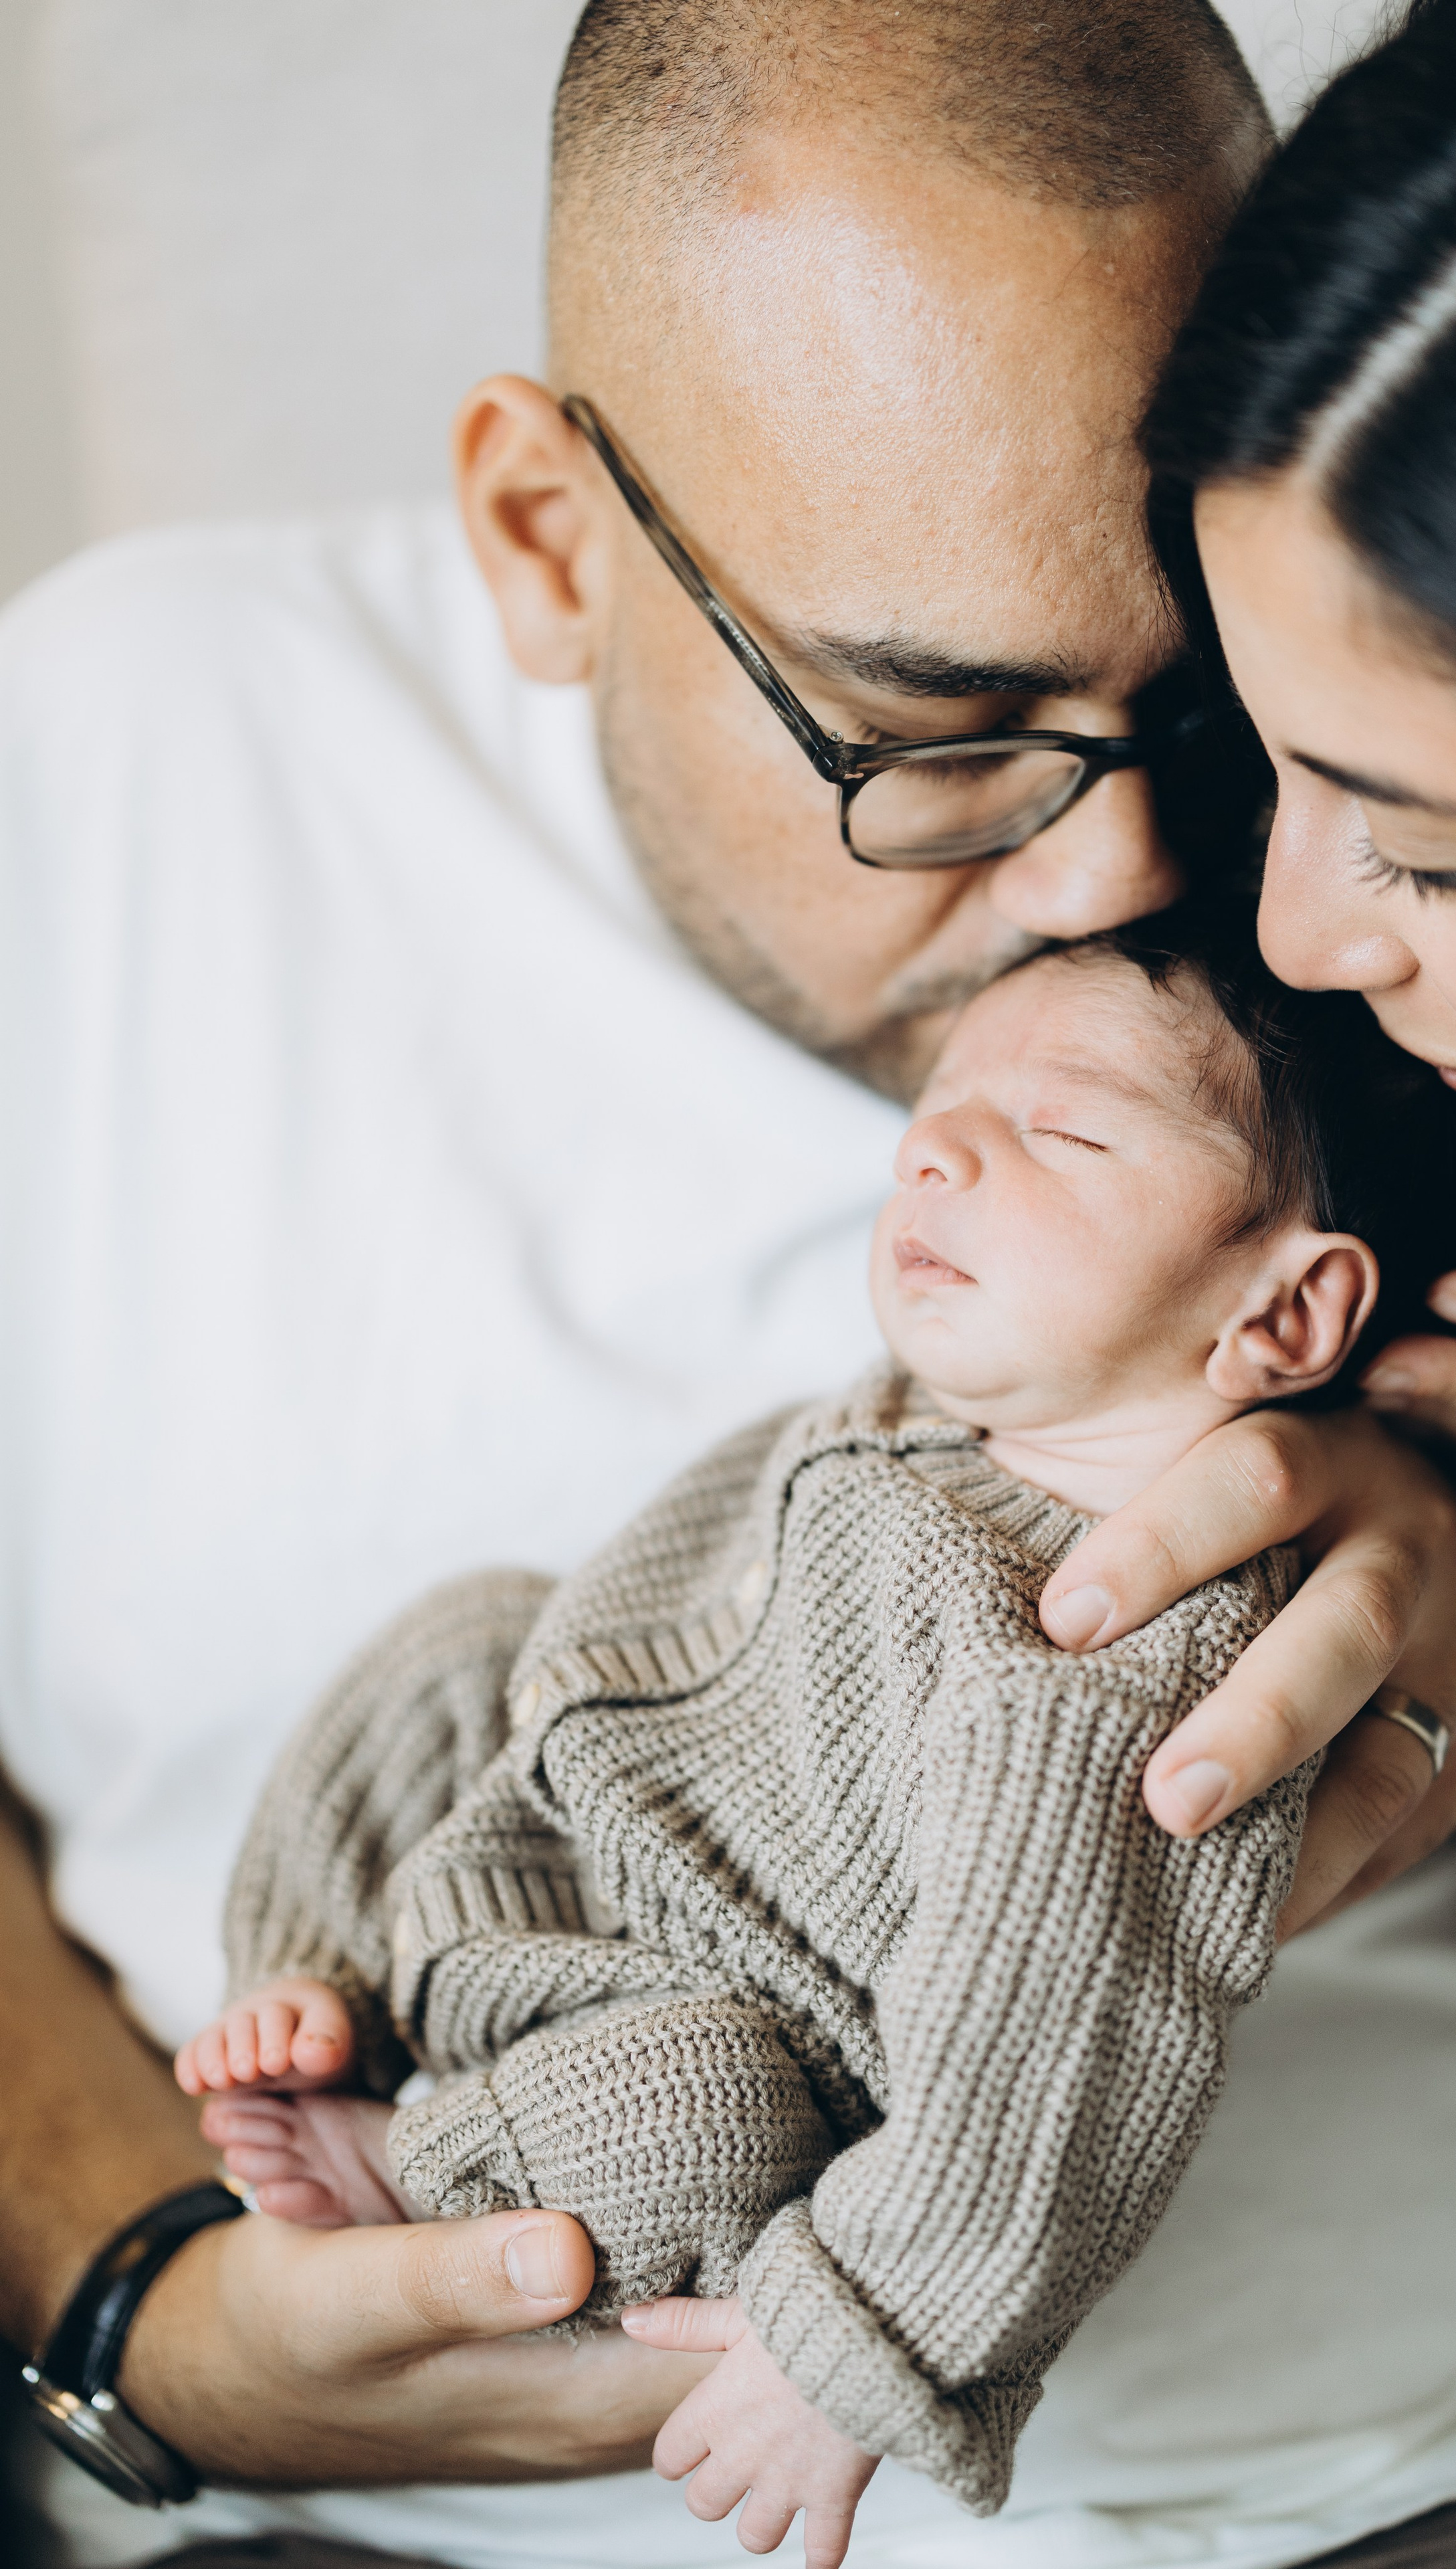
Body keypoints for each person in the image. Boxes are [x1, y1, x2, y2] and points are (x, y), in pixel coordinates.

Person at [0, 3, 1456, 2565]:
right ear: (548, 540)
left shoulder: (1442, 840)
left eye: (1189, 709)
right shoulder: (113, 778)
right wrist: (141, 2307)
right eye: (940, 731)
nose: (1148, 887)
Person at [178, 922, 1384, 2568]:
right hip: (566, 1827)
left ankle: (410, 2148)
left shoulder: (1118, 1655)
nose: (936, 1151)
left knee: (687, 2120)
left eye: (1062, 1129)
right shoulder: (918, 1411)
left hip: (724, 2035)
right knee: (461, 1634)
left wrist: (865, 2339)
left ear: (1286, 1310)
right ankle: (312, 1978)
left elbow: (1062, 2049)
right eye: (938, 1113)